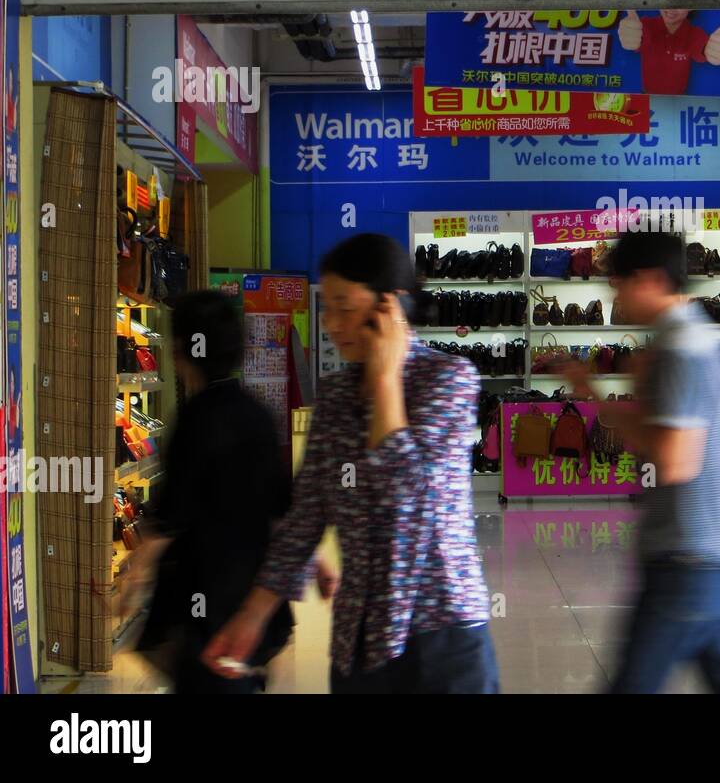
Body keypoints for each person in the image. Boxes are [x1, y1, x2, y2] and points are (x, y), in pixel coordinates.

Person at [201, 233, 498, 694]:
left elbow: (409, 503)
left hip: (442, 635)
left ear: (390, 307)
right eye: (328, 307)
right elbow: (305, 517)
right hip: (358, 640)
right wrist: (251, 617)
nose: (331, 323)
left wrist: (384, 382)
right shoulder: (337, 397)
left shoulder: (449, 380)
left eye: (345, 306)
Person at [566, 230, 720, 693]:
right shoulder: (696, 336)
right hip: (716, 549)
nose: (613, 295)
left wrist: (603, 396)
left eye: (618, 283)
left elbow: (674, 460)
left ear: (650, 279)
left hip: (689, 554)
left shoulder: (679, 349)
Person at [126, 290, 298, 694]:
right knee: (234, 669)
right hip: (254, 585)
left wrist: (135, 576)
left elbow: (172, 514)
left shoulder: (194, 419)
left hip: (203, 587)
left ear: (183, 351)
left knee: (205, 672)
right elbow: (282, 506)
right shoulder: (257, 413)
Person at [617, 9, 720, 94]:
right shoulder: (645, 25)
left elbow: (702, 48)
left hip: (679, 100)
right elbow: (639, 38)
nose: (671, 8)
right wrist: (630, 36)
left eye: (680, 2)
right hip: (647, 95)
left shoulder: (694, 33)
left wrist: (713, 50)